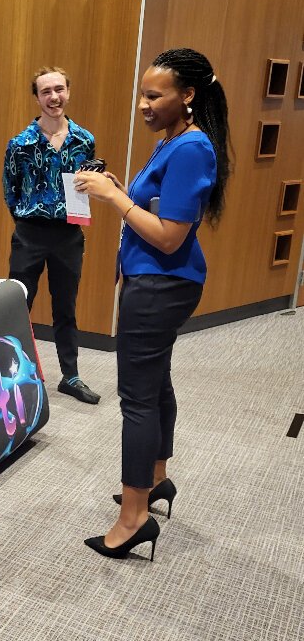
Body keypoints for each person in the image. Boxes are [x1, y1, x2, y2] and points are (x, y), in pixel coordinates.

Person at [74, 48, 230, 560]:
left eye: (154, 95)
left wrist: (115, 199)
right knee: (155, 380)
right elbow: (155, 209)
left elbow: (168, 237)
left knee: (137, 399)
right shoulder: (173, 142)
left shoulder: (190, 148)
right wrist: (119, 189)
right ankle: (157, 478)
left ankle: (133, 516)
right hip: (159, 283)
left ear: (187, 96)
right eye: (141, 94)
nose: (143, 104)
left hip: (160, 284)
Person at [3, 66, 100, 405]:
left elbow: (88, 186)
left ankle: (70, 376)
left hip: (69, 235)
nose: (53, 97)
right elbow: (10, 191)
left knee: (66, 306)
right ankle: (9, 376)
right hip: (30, 234)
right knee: (18, 306)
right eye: (46, 91)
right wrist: (30, 219)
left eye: (59, 89)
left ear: (68, 92)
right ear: (37, 97)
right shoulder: (20, 144)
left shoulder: (84, 141)